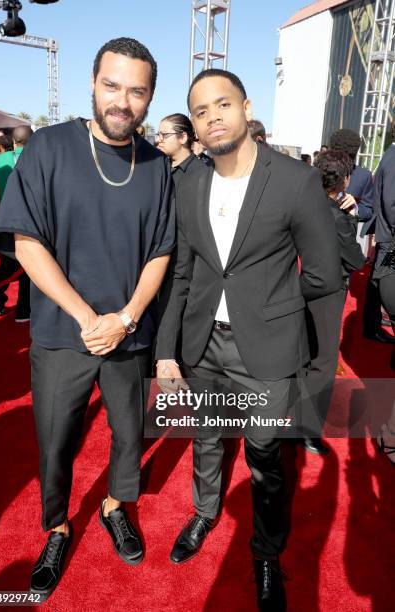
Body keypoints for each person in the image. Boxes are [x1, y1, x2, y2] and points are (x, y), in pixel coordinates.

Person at [0, 37, 175, 600]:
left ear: (149, 98)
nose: (123, 101)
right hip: (60, 334)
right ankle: (57, 525)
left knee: (127, 434)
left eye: (137, 91)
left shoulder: (159, 166)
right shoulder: (47, 148)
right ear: (93, 83)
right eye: (113, 85)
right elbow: (25, 242)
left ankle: (117, 507)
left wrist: (126, 317)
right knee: (56, 439)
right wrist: (88, 317)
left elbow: (161, 251)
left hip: (129, 332)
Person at [155, 68, 341, 610]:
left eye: (223, 104)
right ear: (194, 125)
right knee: (207, 439)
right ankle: (205, 513)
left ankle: (265, 553)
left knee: (265, 458)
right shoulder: (189, 183)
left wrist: (298, 342)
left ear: (245, 107)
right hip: (200, 345)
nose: (213, 116)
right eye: (201, 111)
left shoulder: (293, 180)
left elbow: (325, 276)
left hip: (267, 347)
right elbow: (182, 275)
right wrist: (167, 351)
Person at [301, 150, 365, 455]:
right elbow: (356, 259)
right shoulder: (339, 217)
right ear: (343, 180)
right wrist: (351, 218)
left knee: (300, 355)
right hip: (327, 295)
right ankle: (309, 431)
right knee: (323, 362)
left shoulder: (302, 206)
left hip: (297, 287)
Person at [0, 128, 32, 321]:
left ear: (14, 142)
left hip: (7, 219)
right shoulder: (38, 160)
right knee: (30, 267)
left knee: (6, 264)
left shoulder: (0, 160)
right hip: (32, 221)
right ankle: (23, 311)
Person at [362, 121, 395, 344]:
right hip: (391, 239)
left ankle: (371, 326)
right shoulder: (393, 158)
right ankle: (373, 326)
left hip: (387, 236)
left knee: (377, 282)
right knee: (383, 282)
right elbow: (391, 202)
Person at [329, 129, 373, 223]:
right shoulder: (321, 170)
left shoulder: (363, 176)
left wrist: (355, 209)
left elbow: (368, 210)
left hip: (345, 233)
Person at [156, 113, 203, 188]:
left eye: (164, 135)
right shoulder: (160, 168)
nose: (158, 140)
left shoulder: (203, 172)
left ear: (183, 138)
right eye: (158, 135)